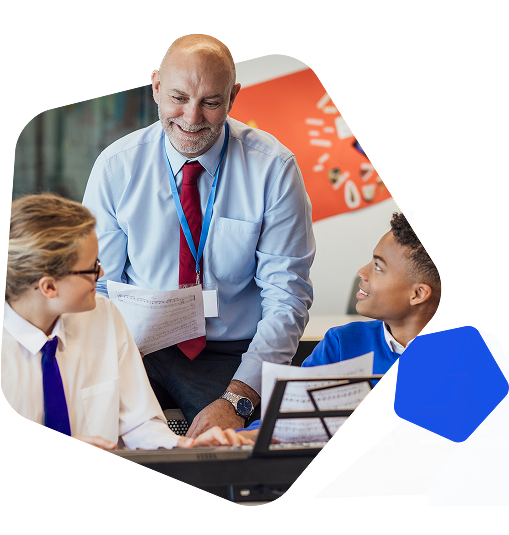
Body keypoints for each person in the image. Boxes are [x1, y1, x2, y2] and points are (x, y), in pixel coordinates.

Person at [82, 34, 315, 438]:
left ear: (233, 97)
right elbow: (98, 286)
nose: (191, 118)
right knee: (101, 434)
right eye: (178, 98)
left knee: (227, 455)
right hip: (138, 347)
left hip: (230, 353)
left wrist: (239, 398)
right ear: (156, 87)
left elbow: (287, 296)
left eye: (211, 102)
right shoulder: (116, 167)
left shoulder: (273, 169)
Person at [2, 193, 254, 451]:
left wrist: (185, 446)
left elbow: (141, 424)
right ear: (49, 287)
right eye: (92, 268)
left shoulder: (104, 316)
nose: (101, 273)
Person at [238, 209, 509, 440]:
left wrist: (412, 440)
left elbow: (505, 431)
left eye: (378, 267)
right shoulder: (341, 344)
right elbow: (285, 423)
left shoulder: (477, 350)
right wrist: (240, 438)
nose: (362, 272)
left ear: (418, 294)